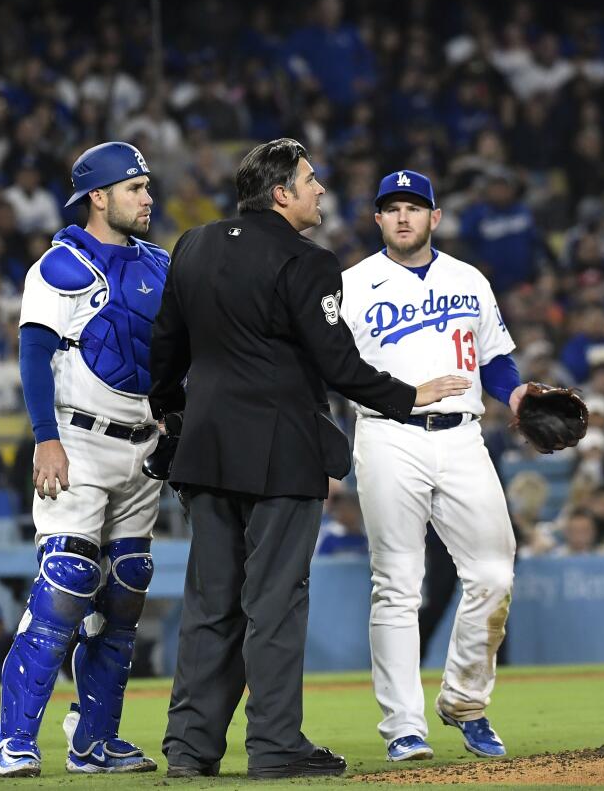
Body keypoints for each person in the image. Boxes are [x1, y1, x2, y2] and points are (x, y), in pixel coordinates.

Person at [150, 139, 468, 780]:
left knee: (211, 602)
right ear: (281, 194)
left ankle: (190, 749)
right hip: (279, 455)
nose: (321, 189)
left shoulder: (194, 245)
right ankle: (273, 748)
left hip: (205, 451)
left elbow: (166, 347)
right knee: (274, 603)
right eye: (309, 179)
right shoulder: (307, 260)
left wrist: (173, 411)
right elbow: (338, 364)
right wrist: (409, 395)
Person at [339, 169, 531, 762]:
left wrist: (517, 394)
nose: (403, 216)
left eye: (413, 207)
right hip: (388, 436)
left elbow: (496, 359)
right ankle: (404, 725)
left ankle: (465, 701)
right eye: (391, 208)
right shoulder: (351, 284)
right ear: (377, 219)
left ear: (435, 217)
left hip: (463, 436)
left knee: (495, 573)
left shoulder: (468, 278)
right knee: (397, 585)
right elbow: (332, 369)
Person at [0, 141, 166, 777]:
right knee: (64, 586)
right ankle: (13, 738)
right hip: (78, 442)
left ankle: (95, 741)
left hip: (143, 448)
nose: (148, 198)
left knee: (126, 591)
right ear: (99, 195)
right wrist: (45, 437)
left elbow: (170, 360)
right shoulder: (59, 267)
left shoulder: (163, 267)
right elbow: (33, 355)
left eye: (147, 188)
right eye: (135, 188)